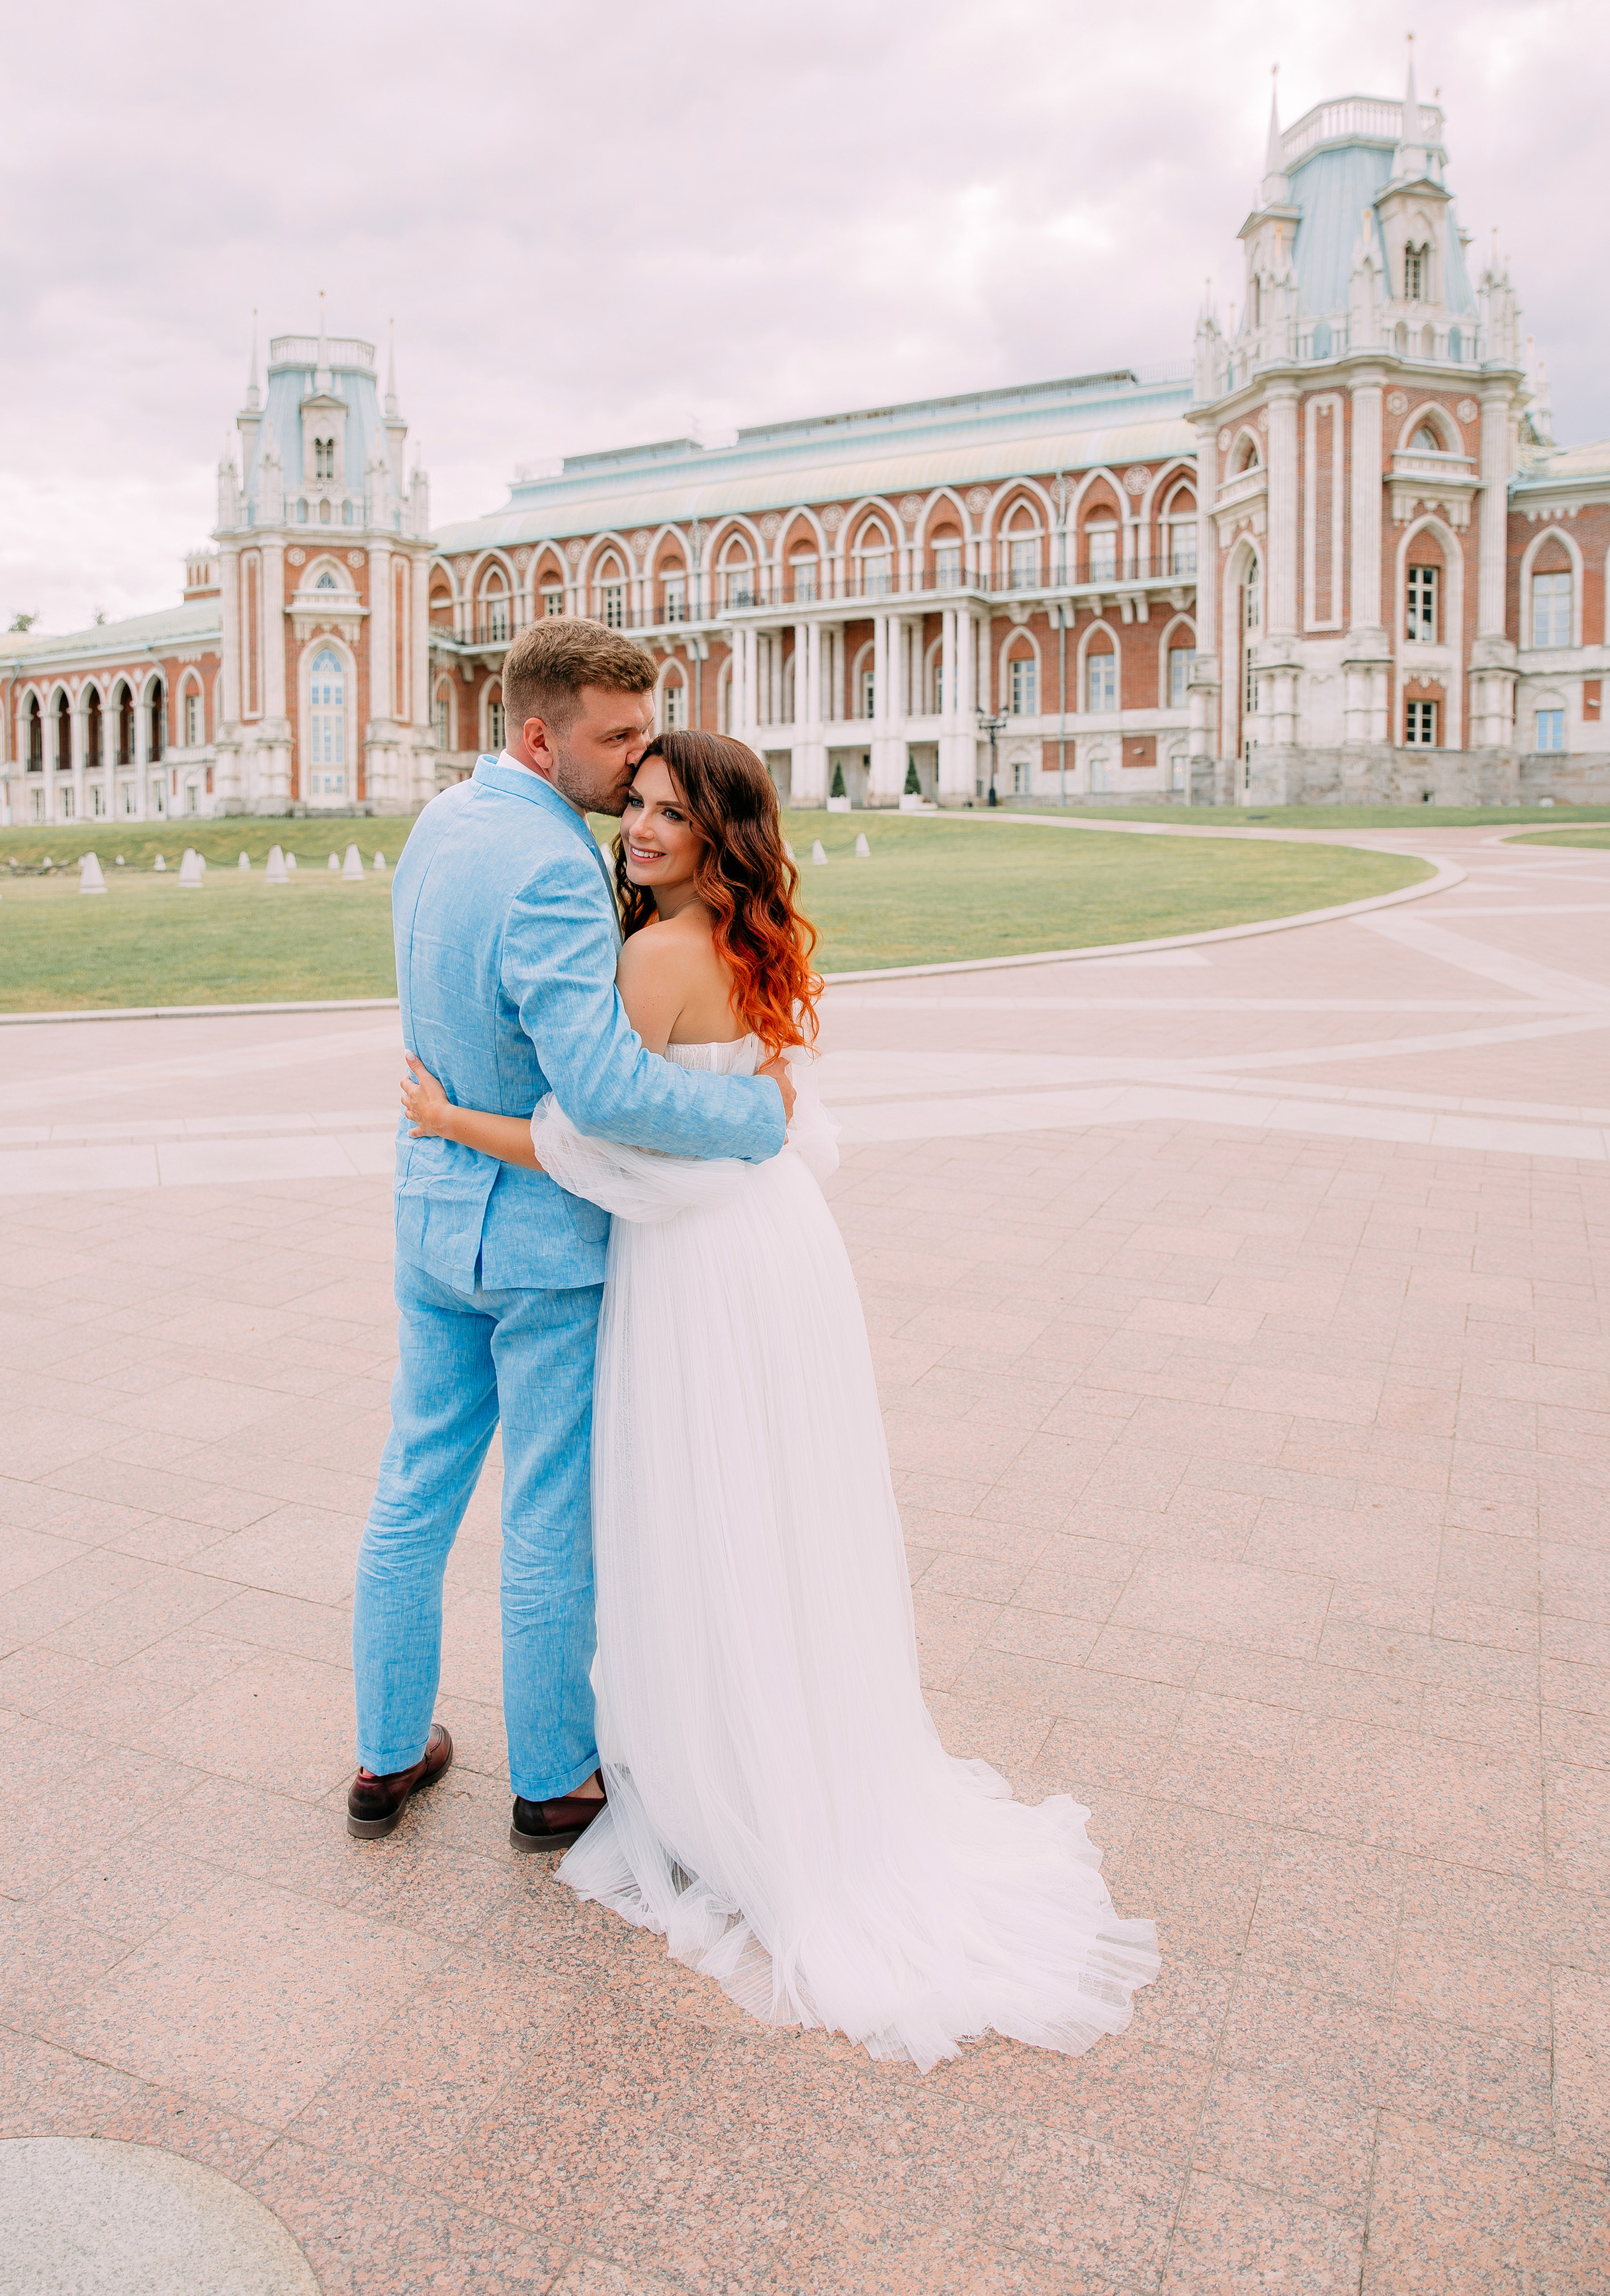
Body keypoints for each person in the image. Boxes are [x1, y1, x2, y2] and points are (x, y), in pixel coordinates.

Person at [398, 728, 1159, 2072]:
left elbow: (592, 1143)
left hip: (698, 1270)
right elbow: (757, 1110)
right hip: (779, 1252)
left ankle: (727, 1783)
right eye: (631, 801)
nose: (636, 828)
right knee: (775, 1521)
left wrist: (450, 1118)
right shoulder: (750, 939)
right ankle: (786, 1757)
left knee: (703, 1525)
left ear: (718, 834)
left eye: (667, 813)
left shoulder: (648, 955)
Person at [349, 622, 792, 1852]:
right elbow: (603, 1090)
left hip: (430, 1214)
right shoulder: (551, 866)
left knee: (414, 1485)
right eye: (615, 739)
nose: (636, 758)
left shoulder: (440, 824)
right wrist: (752, 1113)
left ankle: (386, 1755)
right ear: (541, 737)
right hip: (539, 1242)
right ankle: (553, 1779)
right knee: (546, 1512)